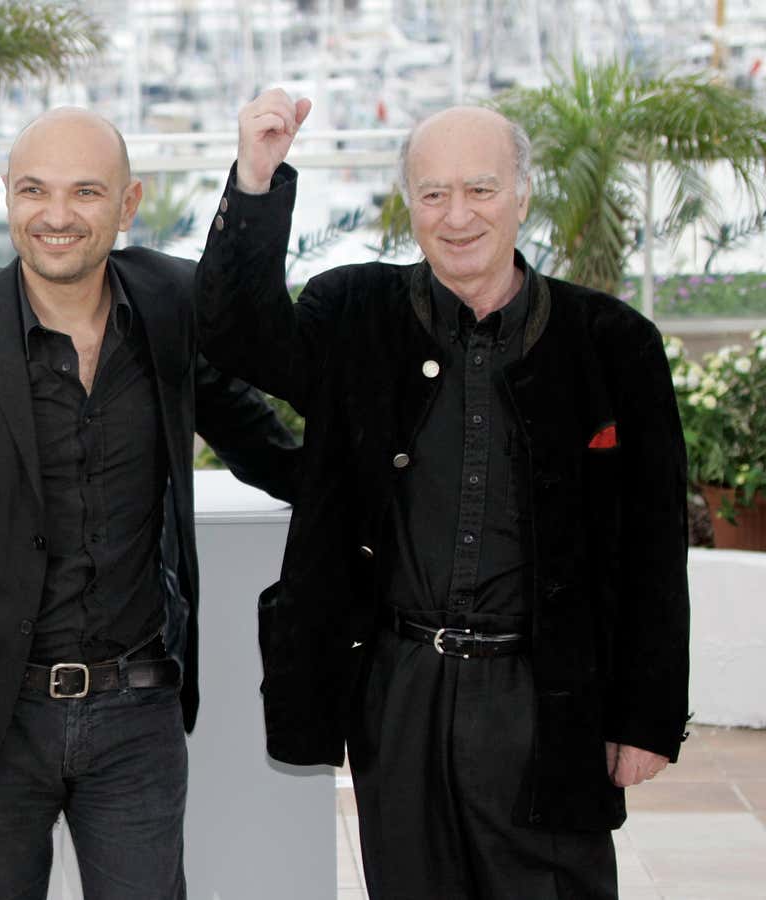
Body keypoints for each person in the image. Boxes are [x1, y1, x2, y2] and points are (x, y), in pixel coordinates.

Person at [197, 92, 691, 898]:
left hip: (545, 692)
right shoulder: (351, 311)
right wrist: (257, 179)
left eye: (481, 190)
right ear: (410, 205)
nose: (456, 215)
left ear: (523, 196)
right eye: (433, 194)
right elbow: (231, 334)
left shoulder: (613, 342)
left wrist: (645, 719)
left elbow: (653, 539)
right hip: (399, 684)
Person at [0, 107, 299, 899]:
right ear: (8, 197)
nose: (56, 215)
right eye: (34, 191)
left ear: (128, 202)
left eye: (85, 192)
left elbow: (260, 441)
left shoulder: (172, 305)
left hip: (137, 709)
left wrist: (375, 492)